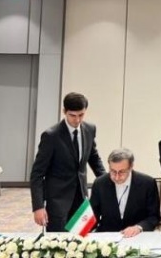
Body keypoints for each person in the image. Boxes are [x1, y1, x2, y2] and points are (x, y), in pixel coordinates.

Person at [30, 92, 106, 232]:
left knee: (83, 238)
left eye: (81, 115)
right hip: (58, 201)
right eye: (72, 115)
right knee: (58, 242)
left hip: (81, 197)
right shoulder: (51, 136)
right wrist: (38, 207)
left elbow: (94, 158)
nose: (77, 120)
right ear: (64, 111)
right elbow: (37, 174)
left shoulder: (90, 129)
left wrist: (107, 181)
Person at [89, 148, 160, 236]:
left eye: (121, 172)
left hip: (137, 236)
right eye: (113, 171)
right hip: (107, 235)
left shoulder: (147, 183)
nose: (117, 177)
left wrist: (138, 227)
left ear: (131, 167)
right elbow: (92, 216)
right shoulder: (100, 183)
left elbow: (154, 217)